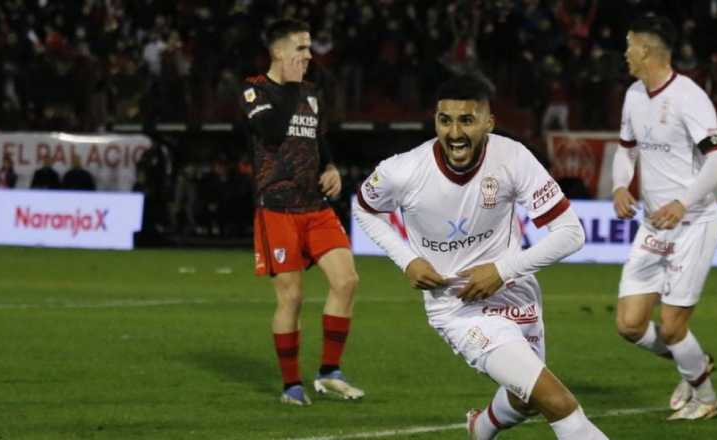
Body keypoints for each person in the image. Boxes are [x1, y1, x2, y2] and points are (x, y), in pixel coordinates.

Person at [353, 75, 609, 440]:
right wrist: (406, 259)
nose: (455, 132)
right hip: (457, 307)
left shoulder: (513, 158)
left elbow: (571, 234)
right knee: (558, 402)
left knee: (525, 400)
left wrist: (502, 272)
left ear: (489, 121)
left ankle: (481, 428)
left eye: (467, 120)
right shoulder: (403, 170)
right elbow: (364, 208)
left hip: (515, 291)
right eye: (445, 120)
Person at [610, 15, 717, 421]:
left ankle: (707, 399)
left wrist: (682, 202)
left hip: (692, 224)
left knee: (673, 326)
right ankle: (694, 363)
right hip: (651, 226)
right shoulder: (633, 95)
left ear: (646, 51)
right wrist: (619, 186)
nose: (625, 53)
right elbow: (626, 149)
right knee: (629, 325)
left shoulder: (689, 97)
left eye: (629, 45)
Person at [239, 18, 363, 406]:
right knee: (291, 299)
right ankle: (291, 386)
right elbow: (273, 133)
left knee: (346, 281)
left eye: (309, 48)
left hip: (315, 206)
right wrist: (291, 87)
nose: (309, 56)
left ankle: (329, 372)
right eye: (301, 48)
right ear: (278, 52)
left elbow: (316, 139)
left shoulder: (310, 93)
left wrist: (330, 168)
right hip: (277, 209)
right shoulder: (254, 90)